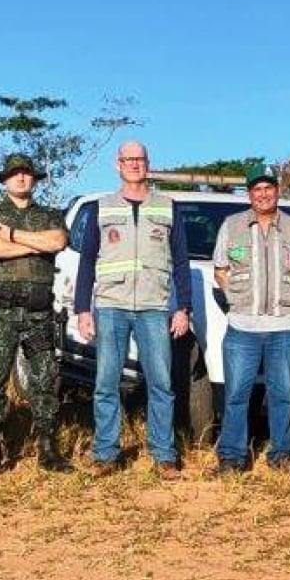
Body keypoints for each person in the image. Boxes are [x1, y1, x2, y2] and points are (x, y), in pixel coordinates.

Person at [74, 140, 191, 479]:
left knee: (161, 383)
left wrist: (184, 307)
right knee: (106, 383)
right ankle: (106, 454)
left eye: (140, 159)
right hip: (111, 307)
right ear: (118, 164)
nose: (135, 164)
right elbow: (86, 263)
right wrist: (84, 308)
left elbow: (181, 262)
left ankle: (164, 455)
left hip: (155, 307)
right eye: (129, 159)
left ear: (148, 163)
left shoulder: (167, 207)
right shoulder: (102, 207)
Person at [0, 153, 72, 477]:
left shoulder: (50, 214)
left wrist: (13, 236)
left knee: (45, 379)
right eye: (14, 174)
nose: (21, 178)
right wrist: (36, 245)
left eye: (26, 173)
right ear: (4, 179)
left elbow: (57, 240)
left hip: (39, 311)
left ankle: (48, 449)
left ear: (35, 179)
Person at [213, 163, 290, 474]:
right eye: (257, 189)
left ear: (277, 190)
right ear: (249, 193)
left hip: (283, 327)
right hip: (243, 327)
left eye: (269, 188)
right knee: (236, 394)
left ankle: (282, 454)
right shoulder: (232, 225)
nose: (263, 194)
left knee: (282, 394)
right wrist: (238, 301)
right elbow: (220, 271)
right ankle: (232, 456)